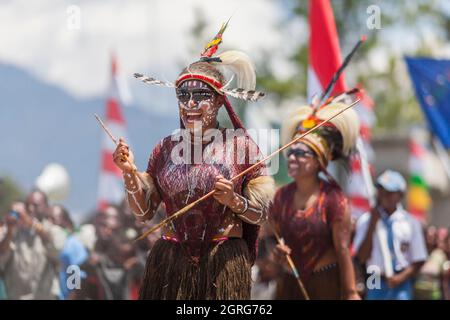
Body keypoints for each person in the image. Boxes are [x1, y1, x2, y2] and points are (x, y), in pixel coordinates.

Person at [112, 23, 274, 300]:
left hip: (222, 264)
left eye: (201, 96)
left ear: (220, 101)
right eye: (182, 96)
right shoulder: (164, 149)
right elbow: (144, 214)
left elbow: (261, 216)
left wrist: (235, 201)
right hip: (170, 265)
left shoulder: (241, 148)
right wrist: (129, 174)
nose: (190, 104)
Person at [270, 101, 361, 300]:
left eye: (301, 153)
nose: (293, 158)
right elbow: (271, 237)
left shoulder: (333, 199)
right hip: (288, 285)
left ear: (318, 161)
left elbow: (343, 250)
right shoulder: (280, 197)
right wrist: (277, 253)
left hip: (325, 286)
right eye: (291, 152)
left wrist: (351, 293)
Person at [353, 170, 428, 300]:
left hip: (401, 277)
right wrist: (372, 225)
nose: (384, 195)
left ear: (400, 195)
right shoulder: (366, 220)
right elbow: (362, 257)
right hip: (374, 275)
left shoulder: (410, 222)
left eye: (390, 192)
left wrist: (400, 278)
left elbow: (419, 259)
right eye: (381, 190)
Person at [0, 194, 66, 299]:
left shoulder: (54, 230)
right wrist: (10, 230)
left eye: (35, 205)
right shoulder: (12, 231)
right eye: (27, 205)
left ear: (46, 208)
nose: (30, 209)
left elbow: (56, 249)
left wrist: (32, 225)